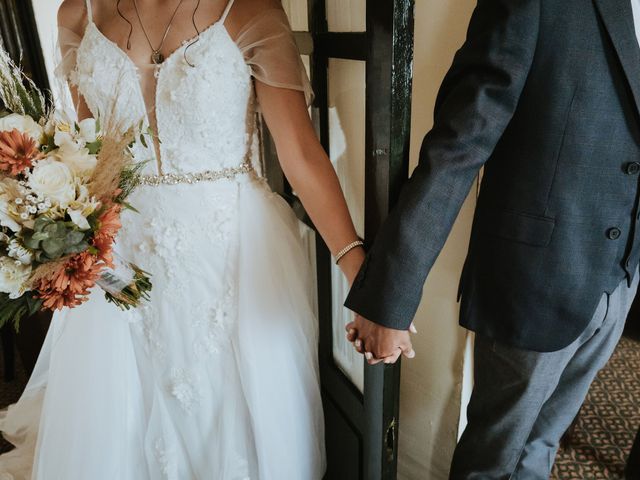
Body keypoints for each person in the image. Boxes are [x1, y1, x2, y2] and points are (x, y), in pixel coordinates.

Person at [0, 0, 366, 478]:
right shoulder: (77, 13)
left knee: (229, 407)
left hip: (230, 243)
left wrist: (356, 266)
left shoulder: (249, 9)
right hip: (121, 247)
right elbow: (93, 153)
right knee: (121, 414)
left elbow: (298, 151)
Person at [345, 0, 640, 477]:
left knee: (542, 445)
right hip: (535, 282)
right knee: (492, 460)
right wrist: (389, 299)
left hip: (621, 280)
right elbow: (459, 146)